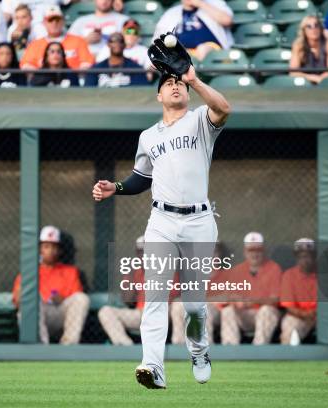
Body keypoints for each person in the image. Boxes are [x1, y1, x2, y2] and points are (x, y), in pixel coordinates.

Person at [92, 61, 231, 387]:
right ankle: (152, 366)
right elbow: (141, 178)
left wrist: (194, 79)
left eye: (178, 82)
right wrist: (117, 187)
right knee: (155, 296)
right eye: (168, 82)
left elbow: (224, 108)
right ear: (159, 96)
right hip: (162, 221)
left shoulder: (200, 119)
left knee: (194, 306)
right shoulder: (148, 136)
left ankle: (198, 350)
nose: (175, 85)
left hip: (199, 219)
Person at [12, 225, 90, 344]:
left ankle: (69, 345)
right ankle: (40, 347)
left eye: (54, 247)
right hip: (40, 316)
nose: (51, 251)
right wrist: (22, 295)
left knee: (82, 298)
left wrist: (62, 299)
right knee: (31, 300)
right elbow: (18, 304)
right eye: (46, 247)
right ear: (40, 250)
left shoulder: (70, 271)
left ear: (59, 250)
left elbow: (76, 298)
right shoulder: (28, 272)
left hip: (61, 315)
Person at [220, 232, 283, 346]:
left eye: (257, 250)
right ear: (245, 252)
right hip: (244, 314)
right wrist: (236, 300)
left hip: (264, 314)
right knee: (228, 311)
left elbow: (275, 300)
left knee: (266, 311)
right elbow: (229, 297)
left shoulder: (274, 268)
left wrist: (252, 301)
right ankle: (230, 349)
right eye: (251, 250)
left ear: (263, 251)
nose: (254, 254)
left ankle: (259, 349)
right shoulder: (238, 270)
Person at [170, 241, 230, 344]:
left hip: (217, 311)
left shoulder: (227, 274)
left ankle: (205, 347)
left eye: (214, 252)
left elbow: (227, 298)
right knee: (177, 305)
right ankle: (178, 344)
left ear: (219, 255)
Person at [98, 236, 145, 345]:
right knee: (106, 312)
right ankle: (126, 347)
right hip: (141, 313)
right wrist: (132, 276)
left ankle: (179, 346)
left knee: (178, 307)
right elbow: (127, 300)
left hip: (163, 312)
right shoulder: (135, 271)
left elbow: (174, 296)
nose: (145, 255)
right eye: (141, 251)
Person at [155, 0, 234, 61]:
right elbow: (157, 40)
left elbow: (227, 21)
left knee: (202, 49)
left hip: (212, 50)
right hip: (182, 52)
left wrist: (200, 3)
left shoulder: (214, 3)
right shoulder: (171, 13)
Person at [20, 5, 94, 70]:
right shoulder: (35, 44)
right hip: (43, 83)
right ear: (44, 23)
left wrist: (69, 74)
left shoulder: (78, 41)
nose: (54, 23)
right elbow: (25, 65)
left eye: (57, 20)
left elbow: (87, 63)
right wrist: (43, 75)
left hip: (73, 82)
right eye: (50, 20)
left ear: (63, 21)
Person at [279, 238, 318, 344]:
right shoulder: (289, 275)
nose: (304, 260)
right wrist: (304, 314)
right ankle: (287, 358)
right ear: (296, 258)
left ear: (314, 257)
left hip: (322, 316)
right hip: (299, 316)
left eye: (308, 256)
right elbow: (289, 307)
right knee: (289, 326)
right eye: (301, 257)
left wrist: (316, 313)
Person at [290, 15, 328, 85]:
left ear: (320, 28)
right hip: (305, 84)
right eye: (309, 26)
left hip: (326, 83)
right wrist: (314, 78)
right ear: (304, 30)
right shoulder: (298, 45)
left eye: (316, 25)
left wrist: (321, 79)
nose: (313, 29)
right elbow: (293, 72)